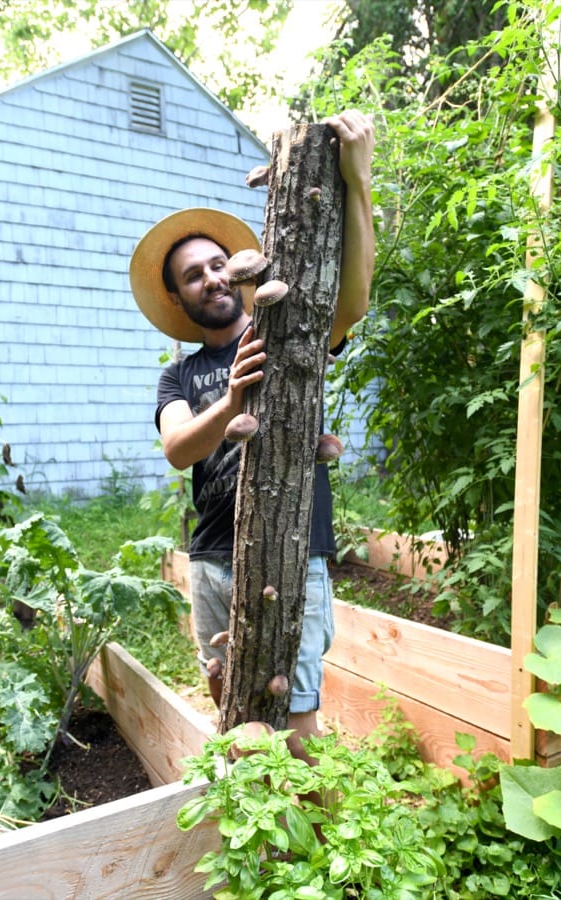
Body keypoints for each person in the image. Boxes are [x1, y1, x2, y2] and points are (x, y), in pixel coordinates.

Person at [128, 110, 375, 759]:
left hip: (295, 548)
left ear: (238, 274)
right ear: (179, 300)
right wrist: (234, 395)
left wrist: (361, 183)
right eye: (193, 274)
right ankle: (254, 844)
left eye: (217, 264)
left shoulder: (286, 332)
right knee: (236, 712)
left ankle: (315, 849)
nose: (211, 277)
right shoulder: (177, 376)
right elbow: (179, 448)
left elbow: (353, 301)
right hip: (212, 558)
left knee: (296, 723)